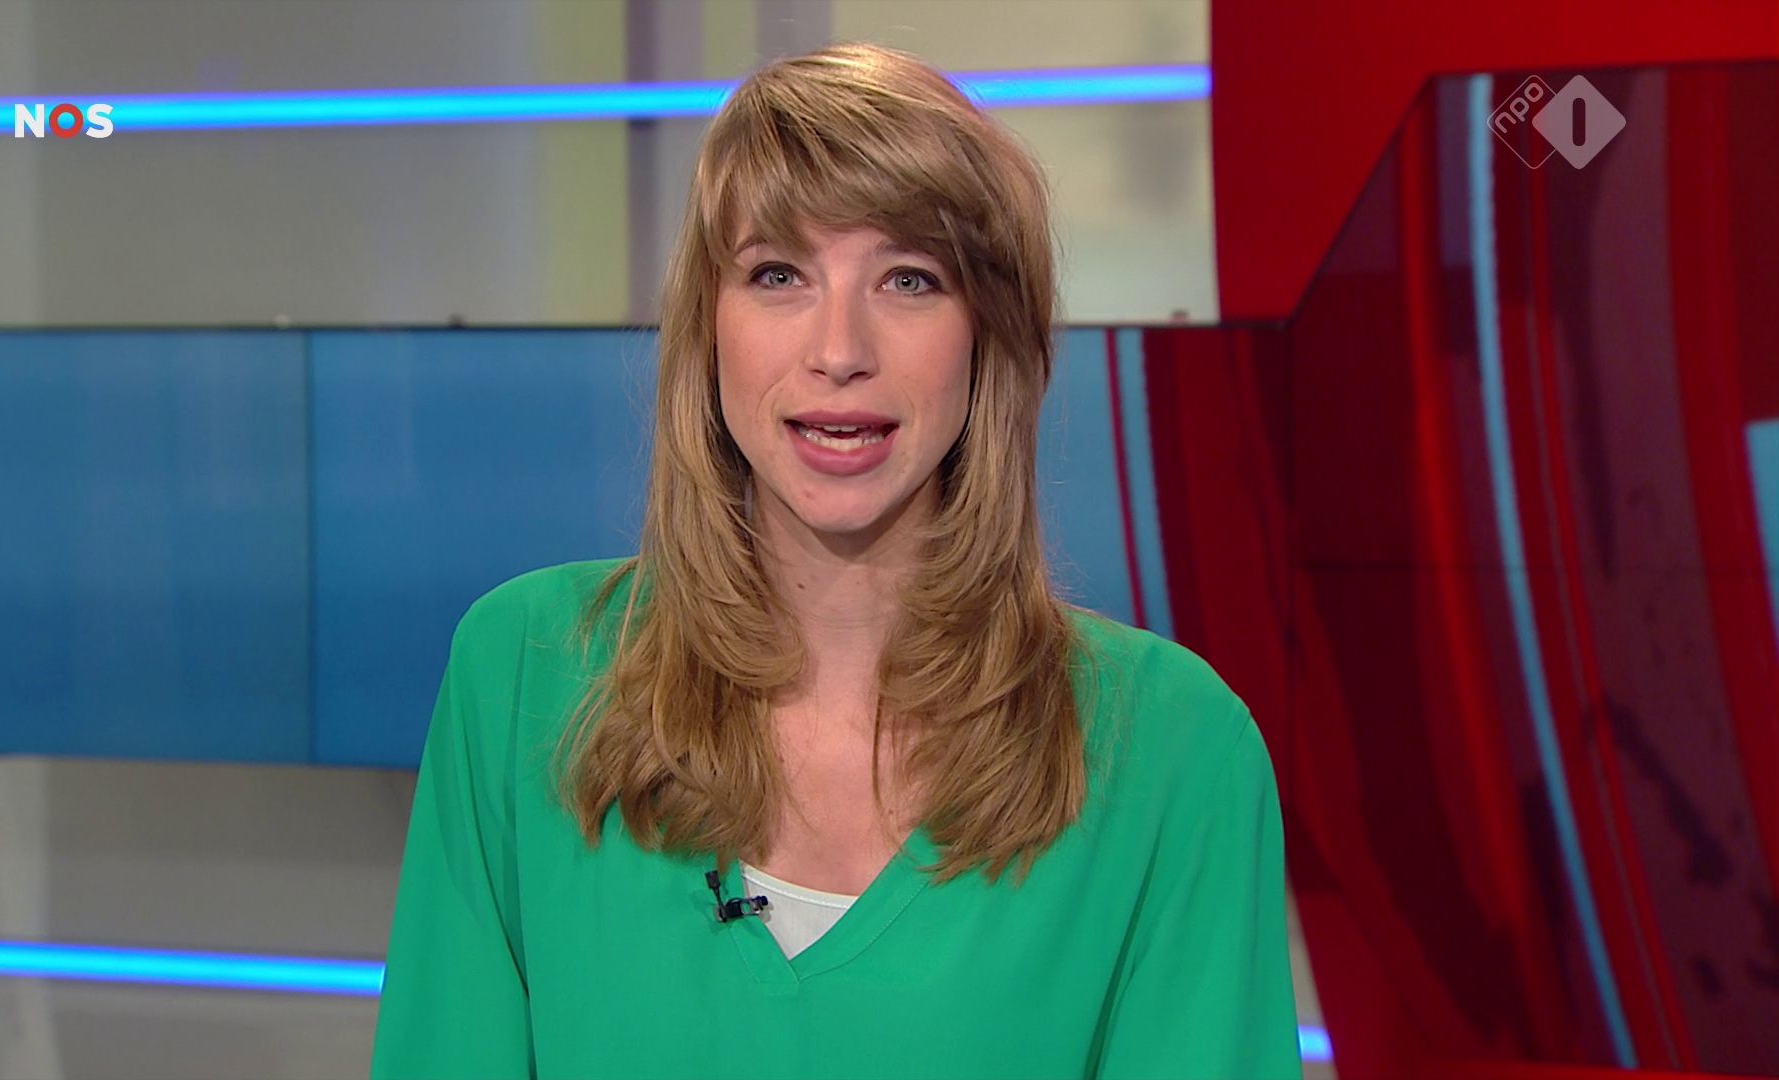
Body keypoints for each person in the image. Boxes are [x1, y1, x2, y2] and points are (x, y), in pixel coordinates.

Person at [371, 41, 1299, 1080]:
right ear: (708, 329)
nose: (839, 350)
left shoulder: (1173, 750)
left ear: (988, 338)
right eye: (778, 274)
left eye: (910, 279)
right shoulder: (524, 674)